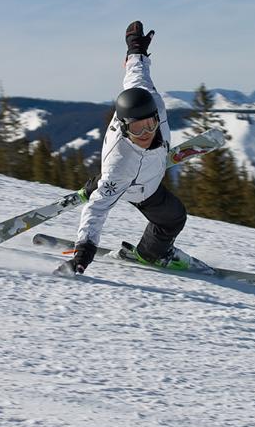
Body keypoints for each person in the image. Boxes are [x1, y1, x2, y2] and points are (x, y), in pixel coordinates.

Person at [61, 21, 188, 275]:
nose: (146, 133)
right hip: (139, 186)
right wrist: (84, 250)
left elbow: (136, 74)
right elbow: (97, 210)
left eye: (150, 124)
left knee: (108, 183)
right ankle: (150, 254)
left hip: (130, 172)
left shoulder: (149, 98)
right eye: (137, 129)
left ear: (156, 115)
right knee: (174, 218)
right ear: (124, 126)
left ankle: (94, 185)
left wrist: (136, 49)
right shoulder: (121, 165)